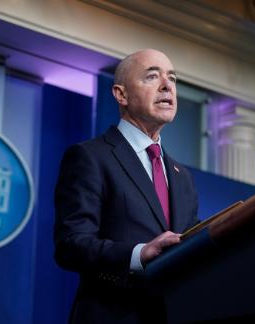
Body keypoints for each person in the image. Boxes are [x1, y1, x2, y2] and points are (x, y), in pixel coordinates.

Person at [54, 49, 199, 323]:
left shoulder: (183, 177)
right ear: (121, 95)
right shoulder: (90, 156)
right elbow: (71, 245)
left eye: (172, 78)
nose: (167, 85)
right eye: (152, 76)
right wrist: (139, 254)